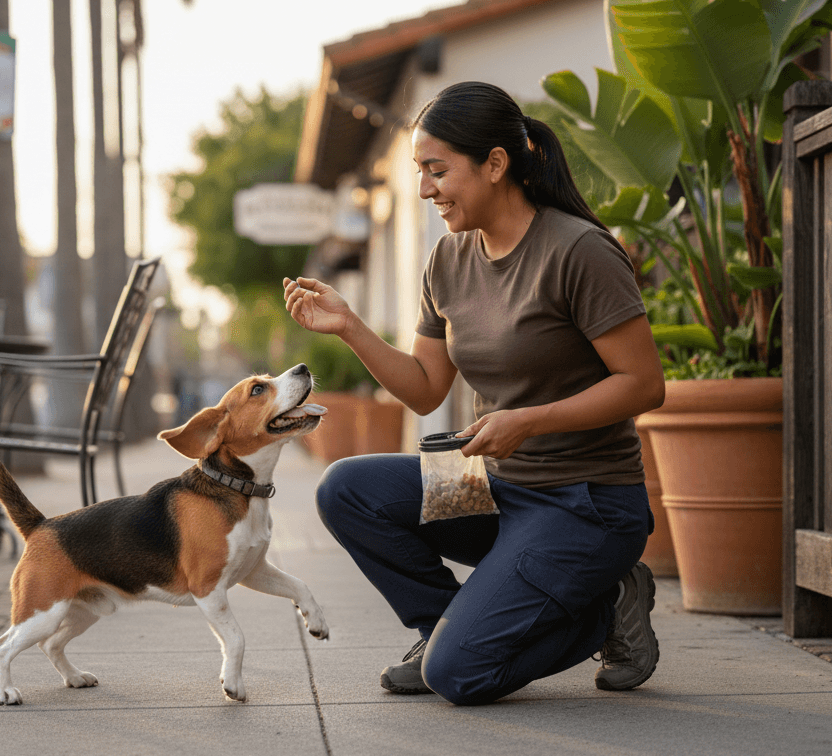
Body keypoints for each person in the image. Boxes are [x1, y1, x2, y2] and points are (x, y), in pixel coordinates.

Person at [282, 81, 665, 706]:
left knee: (461, 677)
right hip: (490, 485)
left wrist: (530, 422)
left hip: (584, 502)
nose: (426, 189)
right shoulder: (449, 259)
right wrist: (349, 327)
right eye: (419, 172)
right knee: (347, 489)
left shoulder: (579, 252)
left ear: (495, 163)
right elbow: (427, 389)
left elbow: (645, 385)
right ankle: (440, 629)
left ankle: (608, 604)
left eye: (438, 171)